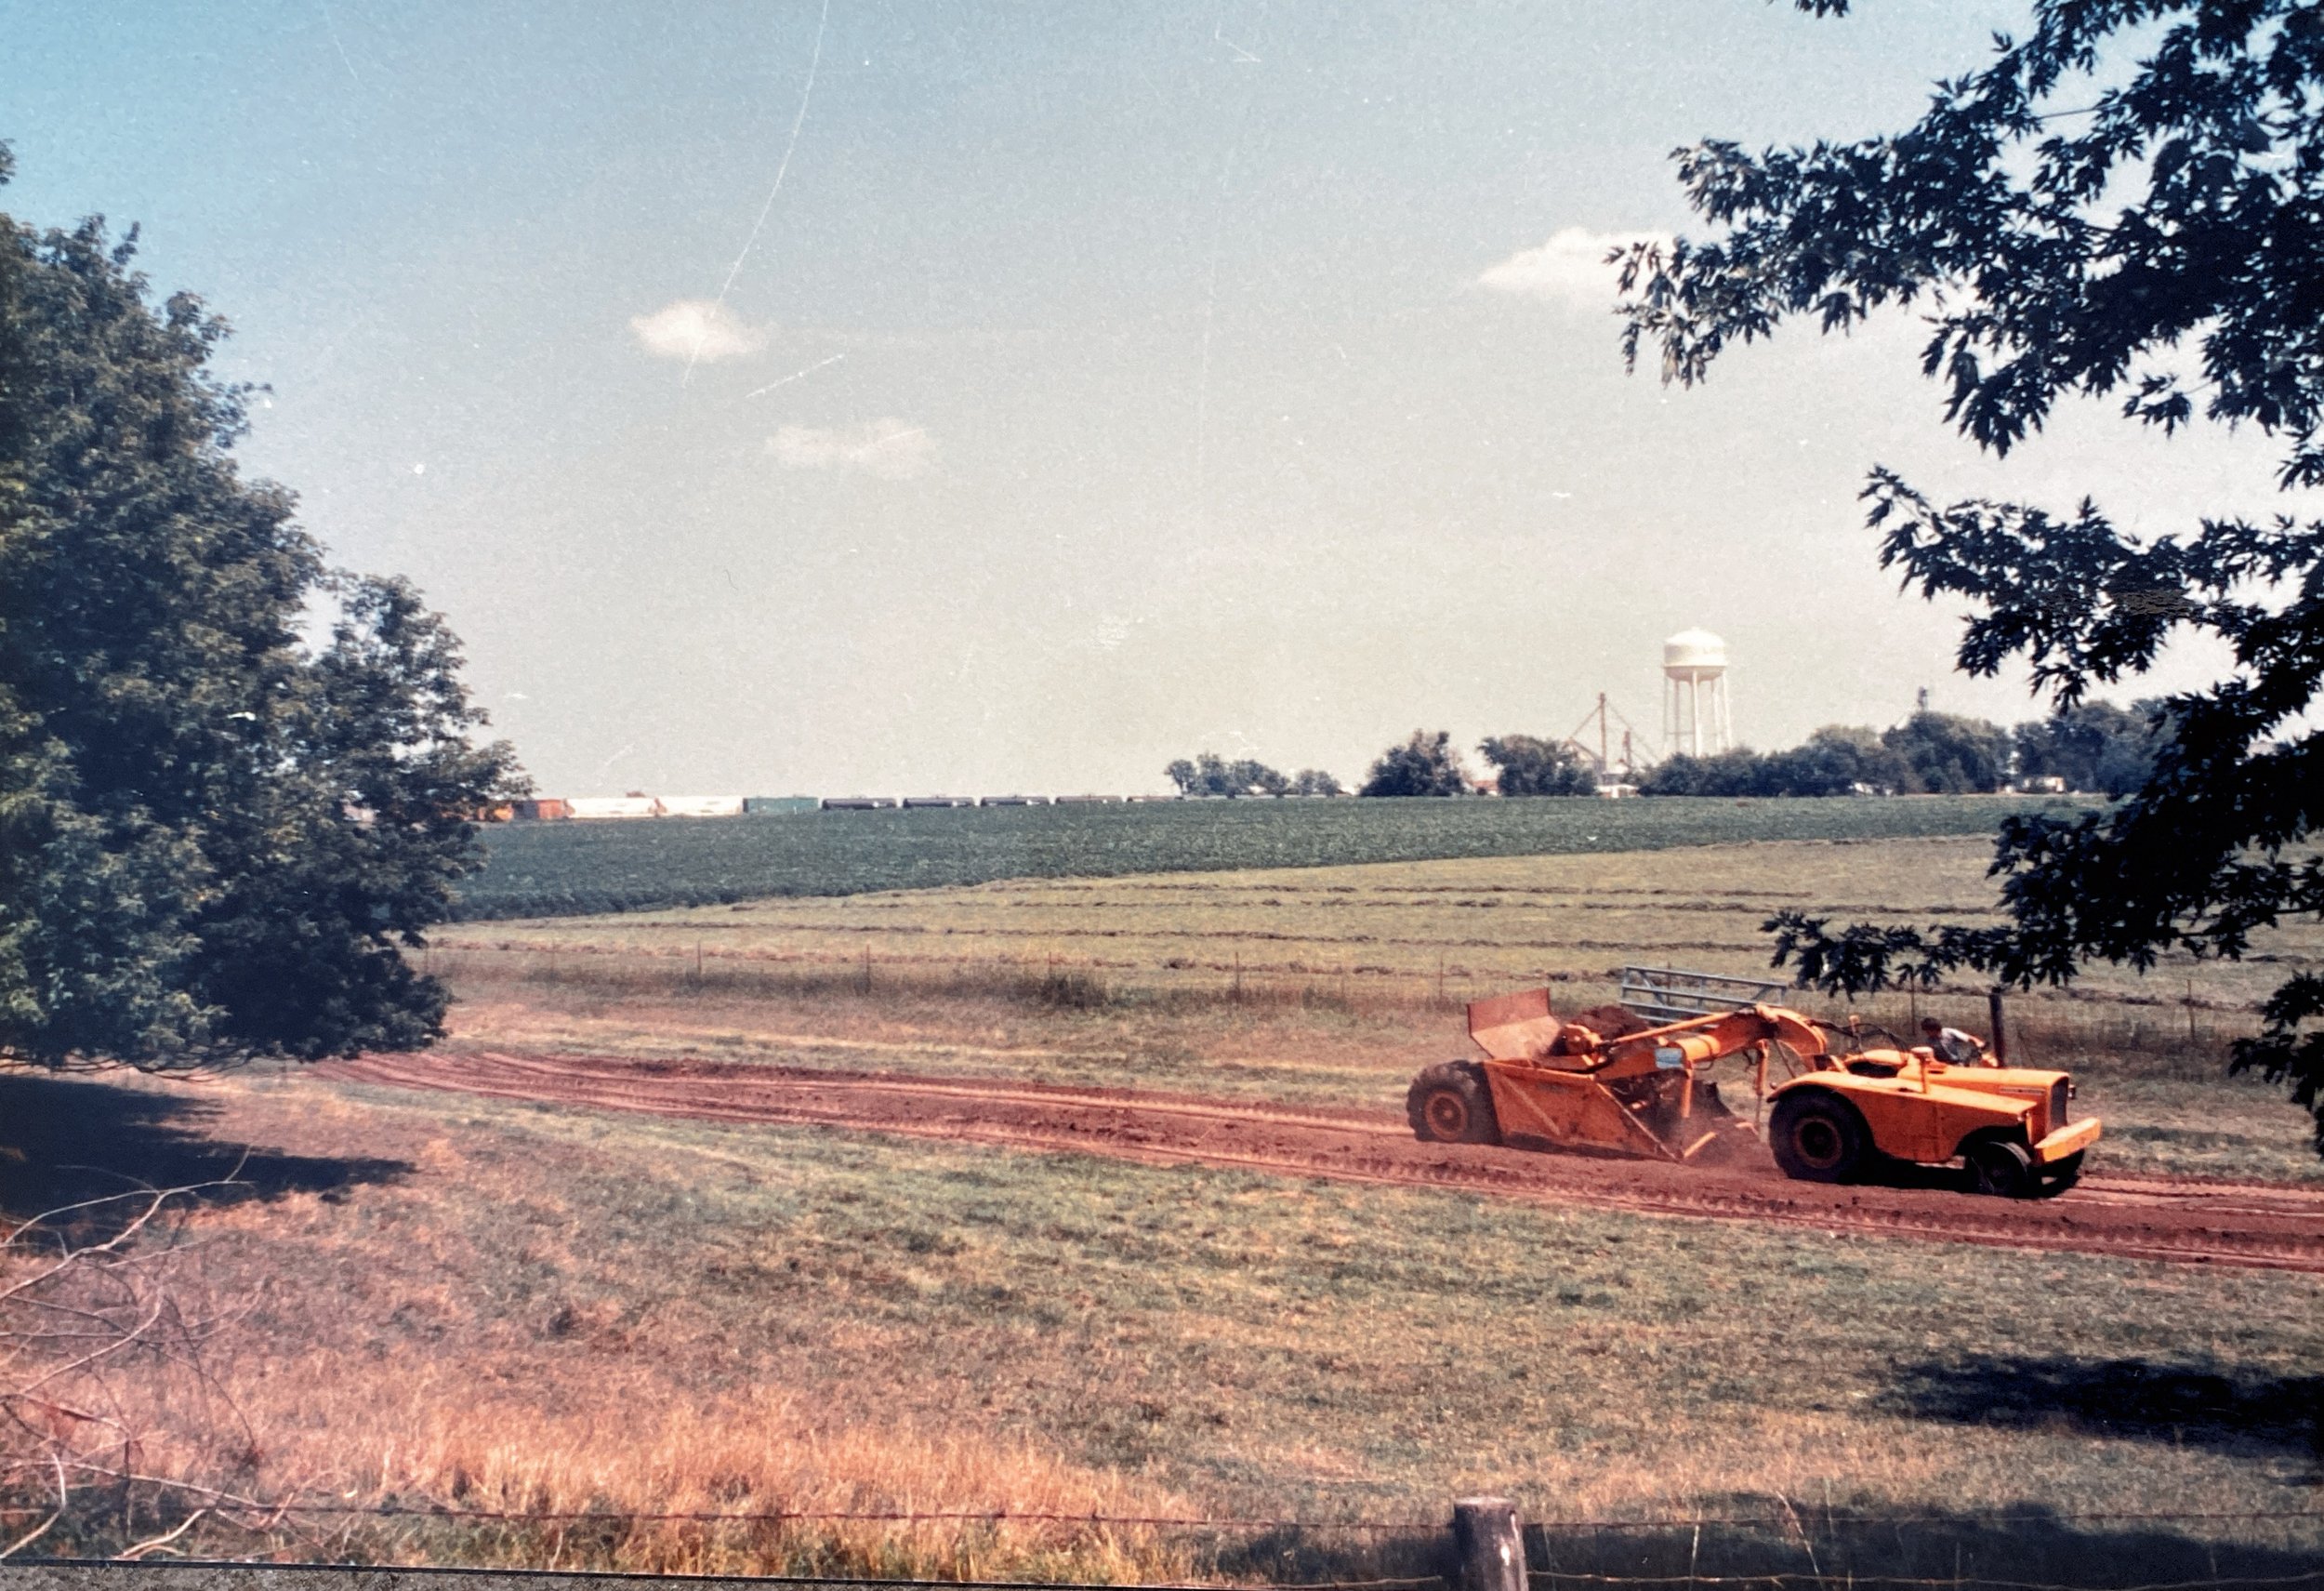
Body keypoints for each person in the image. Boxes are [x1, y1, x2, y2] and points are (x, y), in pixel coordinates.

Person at [1920, 1016, 1993, 1066]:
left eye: (1928, 1031)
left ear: (1934, 1029)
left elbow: (1969, 1038)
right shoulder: (1929, 1041)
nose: (1927, 1033)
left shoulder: (1949, 1032)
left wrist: (1978, 1042)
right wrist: (1939, 1064)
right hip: (1943, 1064)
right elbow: (1931, 1057)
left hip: (1957, 1062)